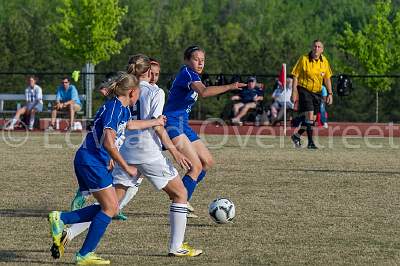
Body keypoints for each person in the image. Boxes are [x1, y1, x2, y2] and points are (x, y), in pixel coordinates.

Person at [47, 72, 165, 264]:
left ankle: (62, 220)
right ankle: (83, 253)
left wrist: (156, 121)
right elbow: (109, 143)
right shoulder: (114, 108)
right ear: (133, 92)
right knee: (110, 207)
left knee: (110, 207)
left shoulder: (122, 109)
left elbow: (130, 125)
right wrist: (126, 167)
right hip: (91, 160)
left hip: (93, 160)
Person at [163, 45, 246, 216]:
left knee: (207, 162)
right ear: (187, 60)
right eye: (196, 59)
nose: (200, 63)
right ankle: (181, 204)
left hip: (183, 124)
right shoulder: (188, 73)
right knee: (196, 167)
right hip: (172, 123)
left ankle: (181, 195)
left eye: (203, 60)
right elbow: (204, 92)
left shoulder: (193, 75)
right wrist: (230, 86)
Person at [290, 39, 333, 149]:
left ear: (322, 50)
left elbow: (327, 78)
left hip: (317, 92)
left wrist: (330, 93)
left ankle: (296, 136)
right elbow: (295, 75)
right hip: (304, 89)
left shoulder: (325, 61)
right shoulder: (303, 59)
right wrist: (294, 92)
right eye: (315, 46)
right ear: (312, 47)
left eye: (319, 47)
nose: (316, 48)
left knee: (312, 119)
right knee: (309, 115)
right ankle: (310, 143)